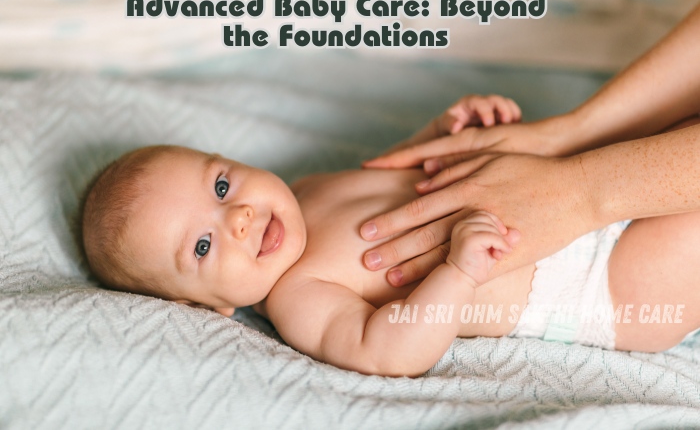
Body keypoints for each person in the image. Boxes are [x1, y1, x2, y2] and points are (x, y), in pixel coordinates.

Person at [82, 94, 700, 377]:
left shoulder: (310, 188)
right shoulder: (299, 296)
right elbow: (388, 350)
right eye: (202, 246)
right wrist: (456, 274)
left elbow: (399, 171)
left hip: (576, 186)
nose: (237, 216)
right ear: (210, 306)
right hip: (602, 285)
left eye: (220, 187)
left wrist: (444, 131)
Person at [360, 3, 700, 288]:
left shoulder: (305, 203)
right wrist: (571, 136)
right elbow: (385, 352)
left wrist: (579, 189)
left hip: (584, 243)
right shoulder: (308, 290)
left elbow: (388, 168)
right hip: (601, 274)